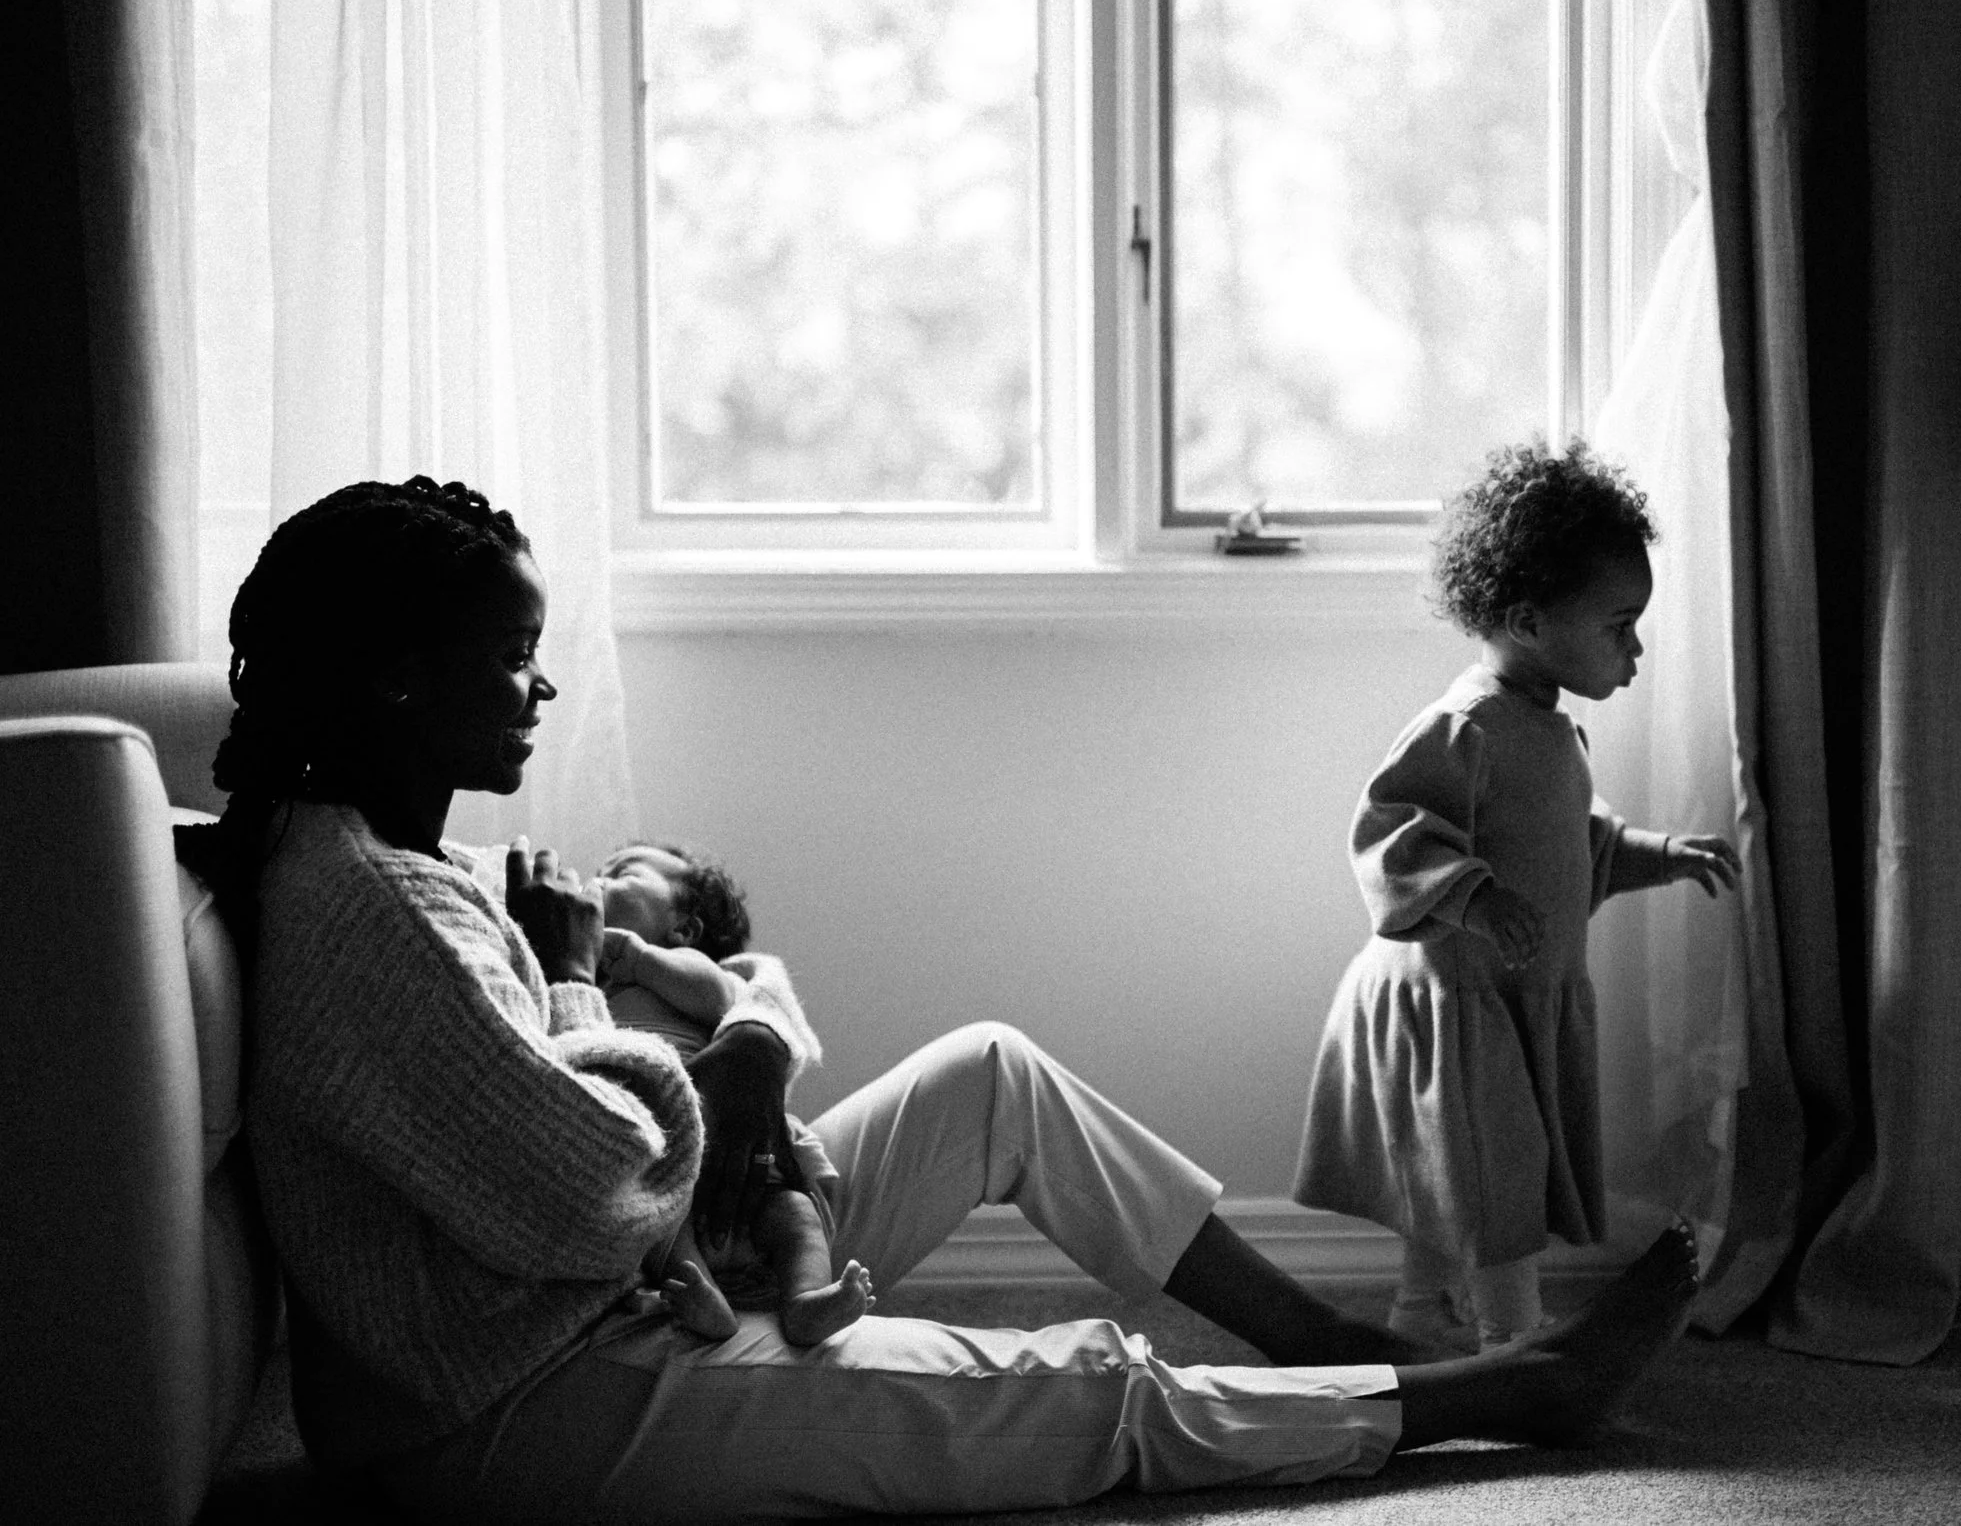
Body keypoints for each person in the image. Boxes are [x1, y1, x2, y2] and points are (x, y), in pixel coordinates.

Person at [192, 475, 1707, 1523]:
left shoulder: (400, 857)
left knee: (991, 1067)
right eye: (512, 658)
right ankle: (1500, 1394)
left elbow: (674, 1075)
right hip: (518, 1411)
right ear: (396, 680)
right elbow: (597, 1181)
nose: (540, 688)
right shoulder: (368, 910)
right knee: (1065, 1393)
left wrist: (731, 1053)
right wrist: (641, 1011)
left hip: (611, 1298)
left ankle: (1320, 1327)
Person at [1294, 438, 1740, 1354]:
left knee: (1452, 1169)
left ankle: (1422, 1318)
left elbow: (1578, 845)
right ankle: (1513, 1341)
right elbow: (1391, 829)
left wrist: (1661, 853)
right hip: (1449, 999)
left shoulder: (1548, 729)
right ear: (1531, 621)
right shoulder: (1468, 726)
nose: (1636, 646)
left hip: (1499, 997)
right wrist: (1473, 895)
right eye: (1619, 624)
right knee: (1492, 1175)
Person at [592, 839, 874, 1346]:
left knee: (794, 1217)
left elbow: (720, 999)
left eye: (622, 872)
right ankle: (707, 1306)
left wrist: (639, 961)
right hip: (663, 1165)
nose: (598, 879)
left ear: (683, 928)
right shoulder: (584, 987)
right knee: (657, 1229)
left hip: (736, 1150)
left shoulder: (690, 969)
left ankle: (807, 1299)